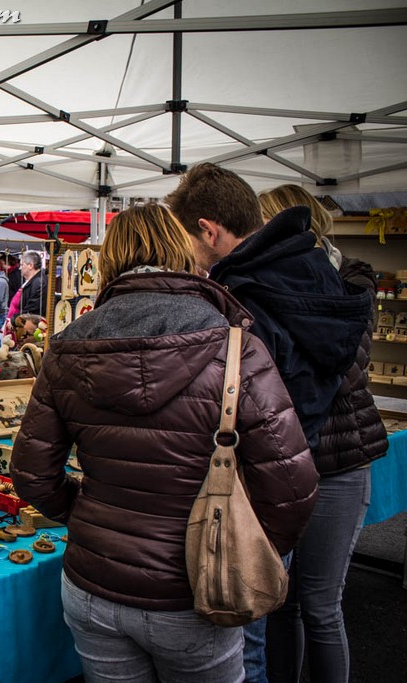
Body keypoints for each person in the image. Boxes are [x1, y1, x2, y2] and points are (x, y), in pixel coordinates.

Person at [10, 202, 319, 683]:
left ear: (111, 259)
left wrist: (89, 517)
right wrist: (239, 549)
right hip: (192, 587)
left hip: (97, 585)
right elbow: (292, 487)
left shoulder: (68, 345)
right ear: (181, 250)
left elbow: (32, 475)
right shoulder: (234, 346)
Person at [165, 164, 373, 682]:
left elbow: (252, 398)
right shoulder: (309, 269)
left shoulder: (246, 289)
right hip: (305, 462)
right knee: (292, 606)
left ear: (208, 230)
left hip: (270, 473)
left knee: (261, 620)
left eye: (188, 240)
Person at [257, 185, 387, 683]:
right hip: (285, 463)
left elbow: (343, 368)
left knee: (320, 605)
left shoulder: (351, 278)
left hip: (338, 461)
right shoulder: (264, 283)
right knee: (281, 601)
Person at [18, 250, 46, 316]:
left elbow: (32, 309)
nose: (20, 268)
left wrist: (14, 319)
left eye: (22, 265)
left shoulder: (39, 283)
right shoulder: (35, 281)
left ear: (30, 265)